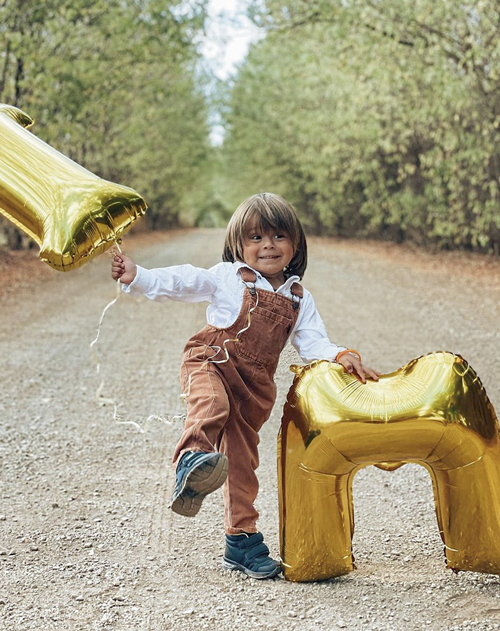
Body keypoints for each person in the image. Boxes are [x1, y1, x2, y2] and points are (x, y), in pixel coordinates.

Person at [111, 192, 378, 579]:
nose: (267, 245)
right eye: (255, 238)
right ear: (239, 245)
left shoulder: (299, 297)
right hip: (210, 363)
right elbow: (185, 280)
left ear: (295, 243)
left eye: (278, 236)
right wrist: (139, 276)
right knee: (212, 406)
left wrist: (338, 355)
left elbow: (312, 342)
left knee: (242, 465)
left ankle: (242, 541)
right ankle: (191, 459)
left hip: (252, 391)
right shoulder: (229, 278)